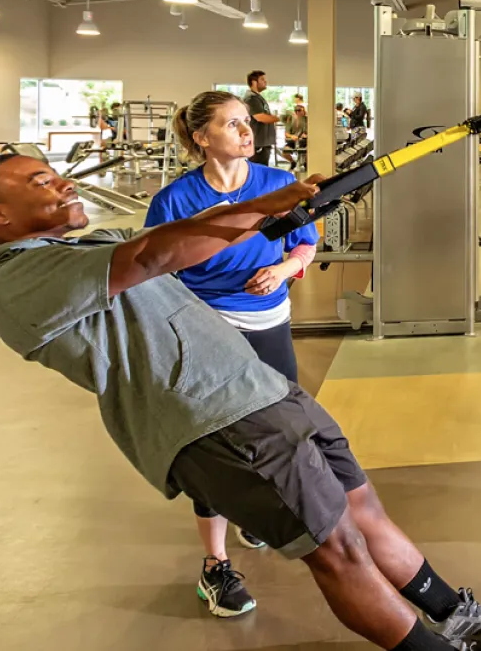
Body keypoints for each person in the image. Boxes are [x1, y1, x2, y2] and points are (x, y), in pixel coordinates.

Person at [0, 155, 481, 650]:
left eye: (55, 175)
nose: (62, 184)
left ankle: (457, 616)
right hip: (216, 420)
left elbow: (186, 232)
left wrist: (272, 212)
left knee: (364, 512)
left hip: (262, 389)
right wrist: (263, 208)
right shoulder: (13, 279)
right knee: (339, 549)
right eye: (38, 183)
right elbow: (152, 256)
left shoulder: (75, 251)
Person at [145, 91, 321, 617]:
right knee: (215, 442)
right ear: (202, 138)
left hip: (271, 321)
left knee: (279, 423)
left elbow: (306, 244)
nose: (247, 132)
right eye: (232, 124)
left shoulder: (275, 186)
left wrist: (283, 271)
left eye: (247, 123)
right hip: (209, 327)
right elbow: (155, 271)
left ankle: (254, 511)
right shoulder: (175, 200)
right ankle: (215, 565)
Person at [243, 70, 282, 166]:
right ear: (254, 82)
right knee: (258, 170)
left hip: (263, 143)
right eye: (262, 79)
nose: (265, 82)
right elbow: (260, 117)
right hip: (258, 143)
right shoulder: (252, 98)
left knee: (263, 169)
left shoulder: (258, 97)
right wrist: (279, 118)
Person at [283, 103, 309, 170]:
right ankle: (292, 162)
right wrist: (292, 136)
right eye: (296, 111)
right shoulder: (291, 120)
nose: (298, 112)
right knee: (285, 152)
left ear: (304, 111)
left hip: (305, 142)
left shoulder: (308, 120)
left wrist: (307, 135)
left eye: (300, 110)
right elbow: (286, 133)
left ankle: (306, 163)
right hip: (293, 141)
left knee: (309, 151)